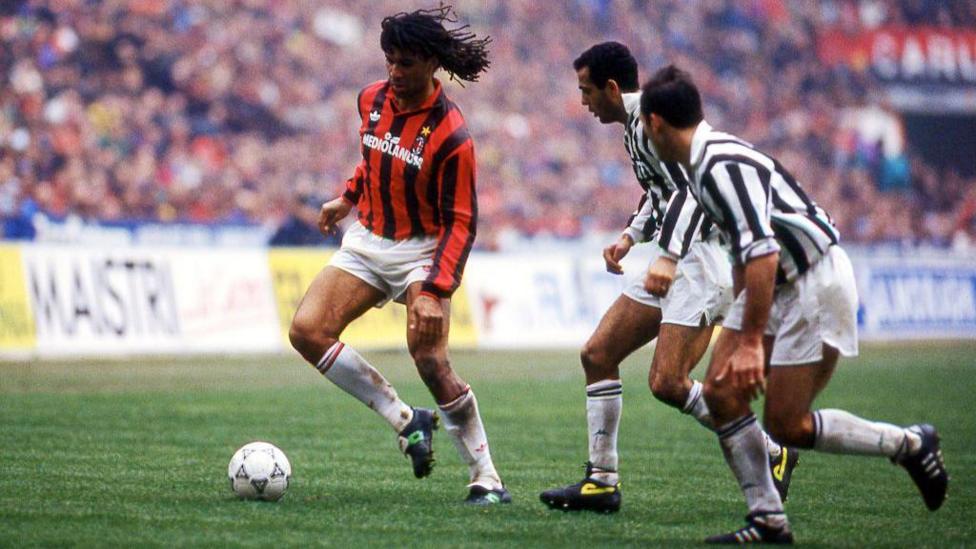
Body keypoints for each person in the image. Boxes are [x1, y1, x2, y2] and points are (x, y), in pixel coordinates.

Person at [638, 65, 948, 543]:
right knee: (720, 393)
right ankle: (767, 518)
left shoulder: (718, 166)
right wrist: (740, 324)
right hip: (773, 282)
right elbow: (746, 253)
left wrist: (747, 344)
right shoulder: (703, 164)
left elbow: (762, 252)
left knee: (788, 424)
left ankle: (909, 443)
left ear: (655, 123)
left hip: (811, 280)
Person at [540, 42, 797, 514]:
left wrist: (669, 257)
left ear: (611, 88)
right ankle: (601, 481)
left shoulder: (653, 121)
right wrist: (629, 236)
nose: (583, 101)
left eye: (586, 90)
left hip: (699, 261)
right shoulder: (635, 125)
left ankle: (770, 451)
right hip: (674, 255)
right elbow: (660, 191)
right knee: (598, 355)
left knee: (668, 382)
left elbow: (690, 191)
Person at [288, 6, 510, 505]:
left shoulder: (452, 135)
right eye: (389, 60)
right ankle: (407, 420)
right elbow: (374, 156)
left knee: (429, 358)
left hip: (422, 251)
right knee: (306, 331)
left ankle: (487, 477)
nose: (394, 72)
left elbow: (461, 222)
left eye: (405, 63)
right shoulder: (370, 98)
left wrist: (434, 290)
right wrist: (348, 197)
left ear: (432, 63)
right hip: (370, 239)